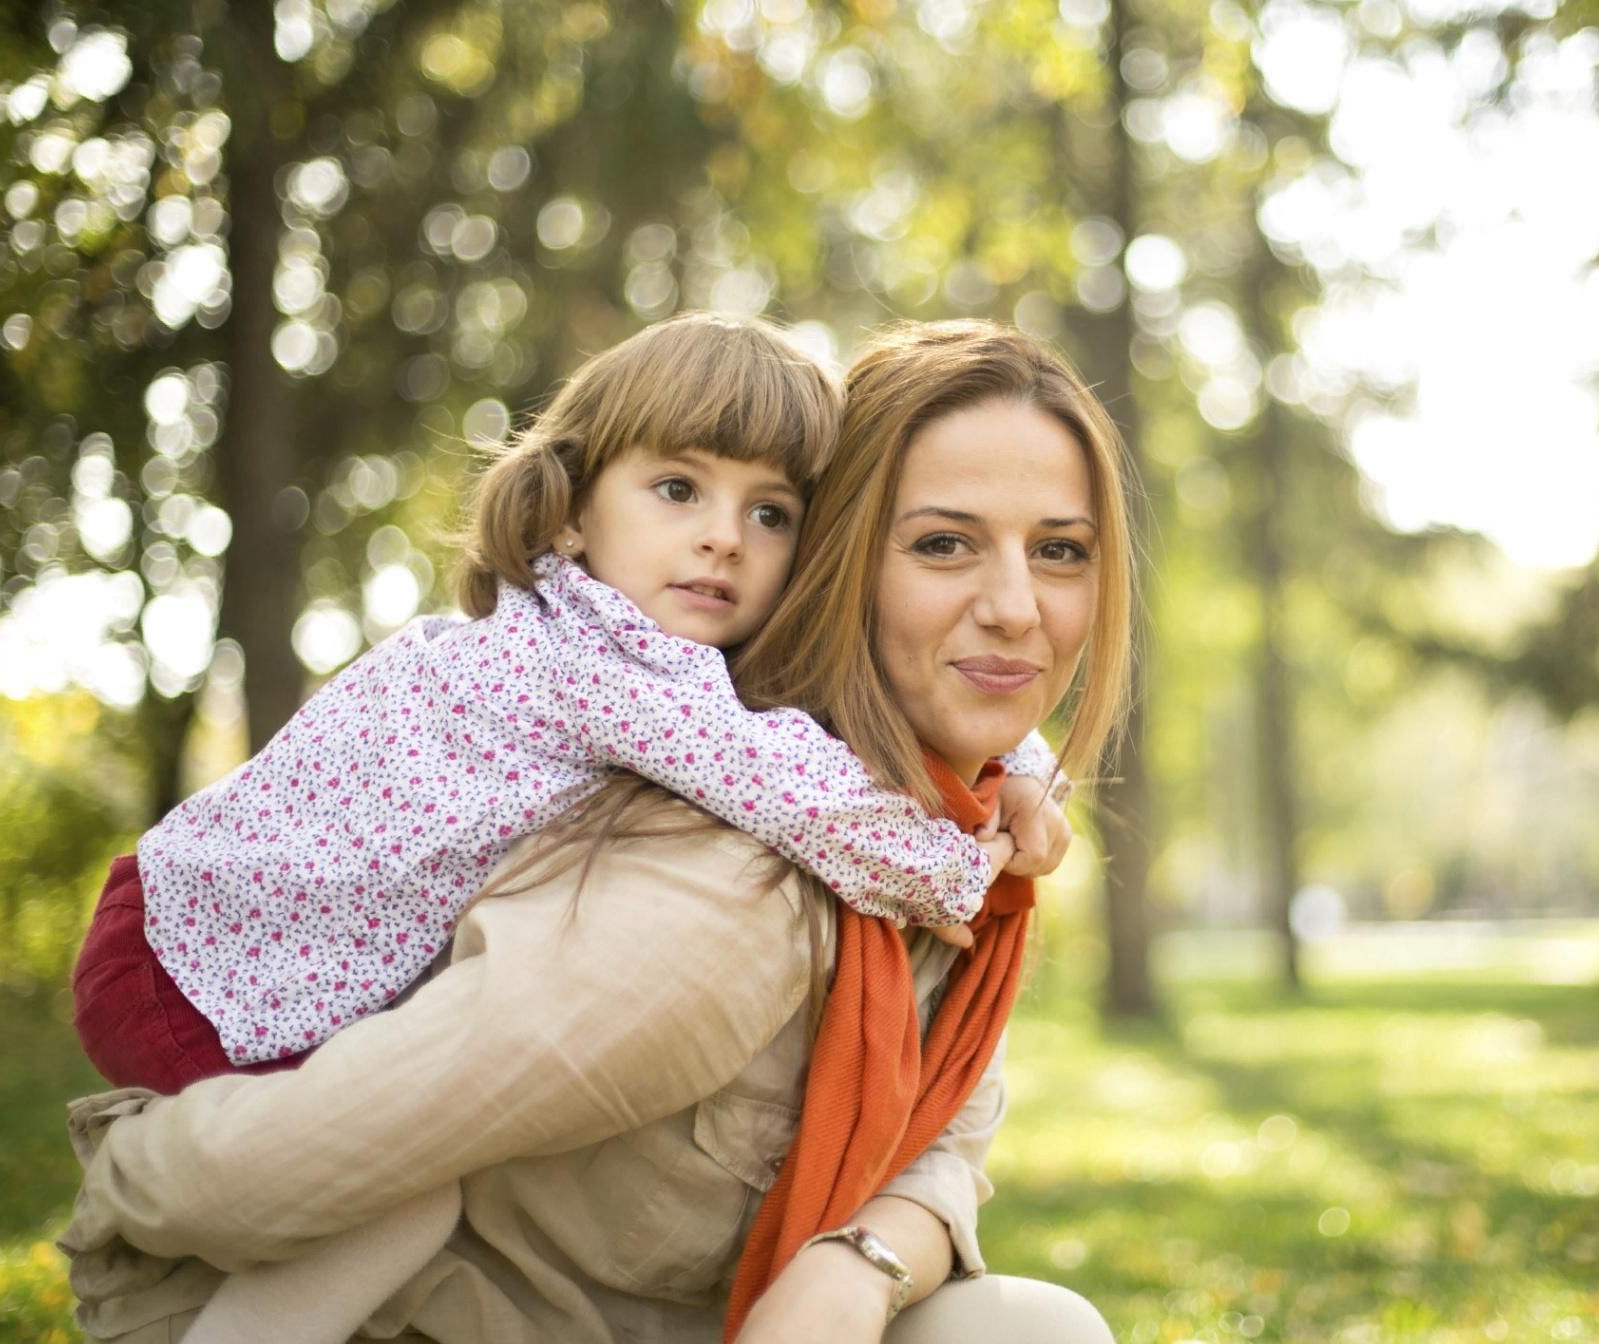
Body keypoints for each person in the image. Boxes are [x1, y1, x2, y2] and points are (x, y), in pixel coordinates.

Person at [58, 318, 1134, 1344]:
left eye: (1060, 551)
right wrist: (131, 1172)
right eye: (943, 544)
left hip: (669, 1309)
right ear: (846, 562)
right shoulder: (748, 854)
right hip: (408, 1261)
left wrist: (856, 1269)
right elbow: (285, 1162)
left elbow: (944, 1140)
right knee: (392, 1208)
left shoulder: (925, 799)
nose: (1014, 608)